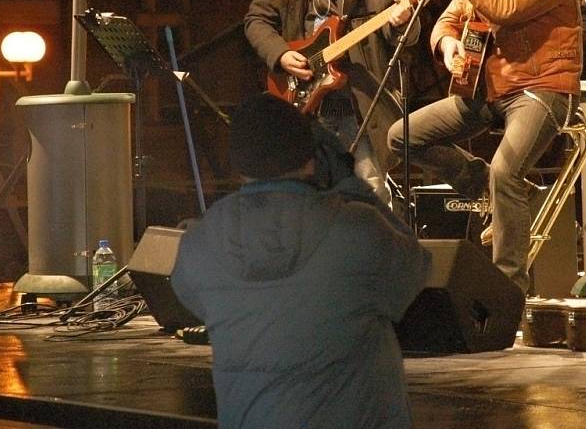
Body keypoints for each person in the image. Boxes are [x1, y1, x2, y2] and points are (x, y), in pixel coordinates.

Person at [170, 93, 432, 429]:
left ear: (237, 163)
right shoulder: (357, 228)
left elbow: (193, 301)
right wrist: (352, 184)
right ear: (313, 157)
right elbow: (416, 270)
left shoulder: (201, 241)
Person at [387, 0, 586, 293]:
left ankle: (509, 290)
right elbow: (446, 21)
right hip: (486, 88)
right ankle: (489, 189)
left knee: (506, 169)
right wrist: (447, 47)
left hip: (542, 85)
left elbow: (505, 7)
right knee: (401, 137)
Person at [244, 0, 419, 206]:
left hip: (356, 100)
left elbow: (403, 38)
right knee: (304, 193)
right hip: (304, 98)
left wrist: (402, 22)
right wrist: (281, 55)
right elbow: (256, 20)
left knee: (371, 192)